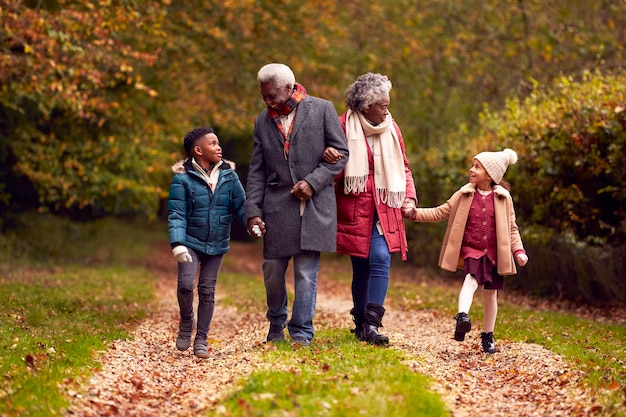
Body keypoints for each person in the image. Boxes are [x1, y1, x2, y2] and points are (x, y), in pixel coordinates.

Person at [244, 63, 349, 347]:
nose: (268, 102)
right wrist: (252, 211)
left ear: (289, 88)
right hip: (277, 208)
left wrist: (313, 182)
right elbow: (257, 170)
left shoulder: (323, 109)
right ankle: (276, 322)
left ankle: (302, 332)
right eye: (264, 96)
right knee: (272, 270)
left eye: (272, 96)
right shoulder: (261, 122)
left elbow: (341, 154)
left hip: (315, 208)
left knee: (306, 272)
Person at [323, 72, 417, 346]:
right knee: (361, 266)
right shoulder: (342, 126)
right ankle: (362, 322)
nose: (388, 109)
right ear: (366, 106)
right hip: (354, 207)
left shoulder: (392, 128)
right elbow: (332, 171)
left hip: (385, 206)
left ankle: (373, 322)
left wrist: (409, 198)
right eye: (383, 105)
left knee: (380, 257)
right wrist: (330, 158)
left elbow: (404, 168)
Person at [405, 148, 528, 353]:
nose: (471, 170)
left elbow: (512, 228)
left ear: (489, 174)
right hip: (472, 248)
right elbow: (440, 212)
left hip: (494, 253)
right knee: (470, 278)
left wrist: (519, 251)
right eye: (472, 165)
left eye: (477, 167)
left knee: (491, 294)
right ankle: (462, 316)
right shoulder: (464, 194)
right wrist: (414, 213)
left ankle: (488, 337)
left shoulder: (503, 198)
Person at [167, 126, 246, 358]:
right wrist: (178, 243)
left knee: (207, 291)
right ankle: (186, 321)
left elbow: (241, 205)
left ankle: (201, 337)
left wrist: (253, 222)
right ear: (198, 150)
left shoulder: (229, 175)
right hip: (190, 240)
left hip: (217, 241)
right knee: (185, 284)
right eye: (213, 143)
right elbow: (176, 213)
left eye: (218, 143)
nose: (218, 147)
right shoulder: (182, 178)